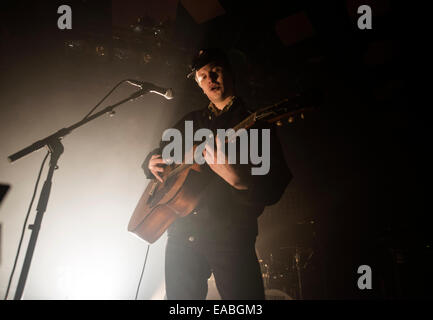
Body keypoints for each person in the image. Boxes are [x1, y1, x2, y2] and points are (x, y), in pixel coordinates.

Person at [141, 48, 292, 299]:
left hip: (230, 233)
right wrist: (150, 163)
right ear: (199, 84)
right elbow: (163, 154)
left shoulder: (256, 123)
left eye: (215, 71)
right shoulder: (191, 120)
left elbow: (276, 181)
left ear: (230, 73)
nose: (210, 79)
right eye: (202, 76)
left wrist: (240, 181)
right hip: (182, 231)